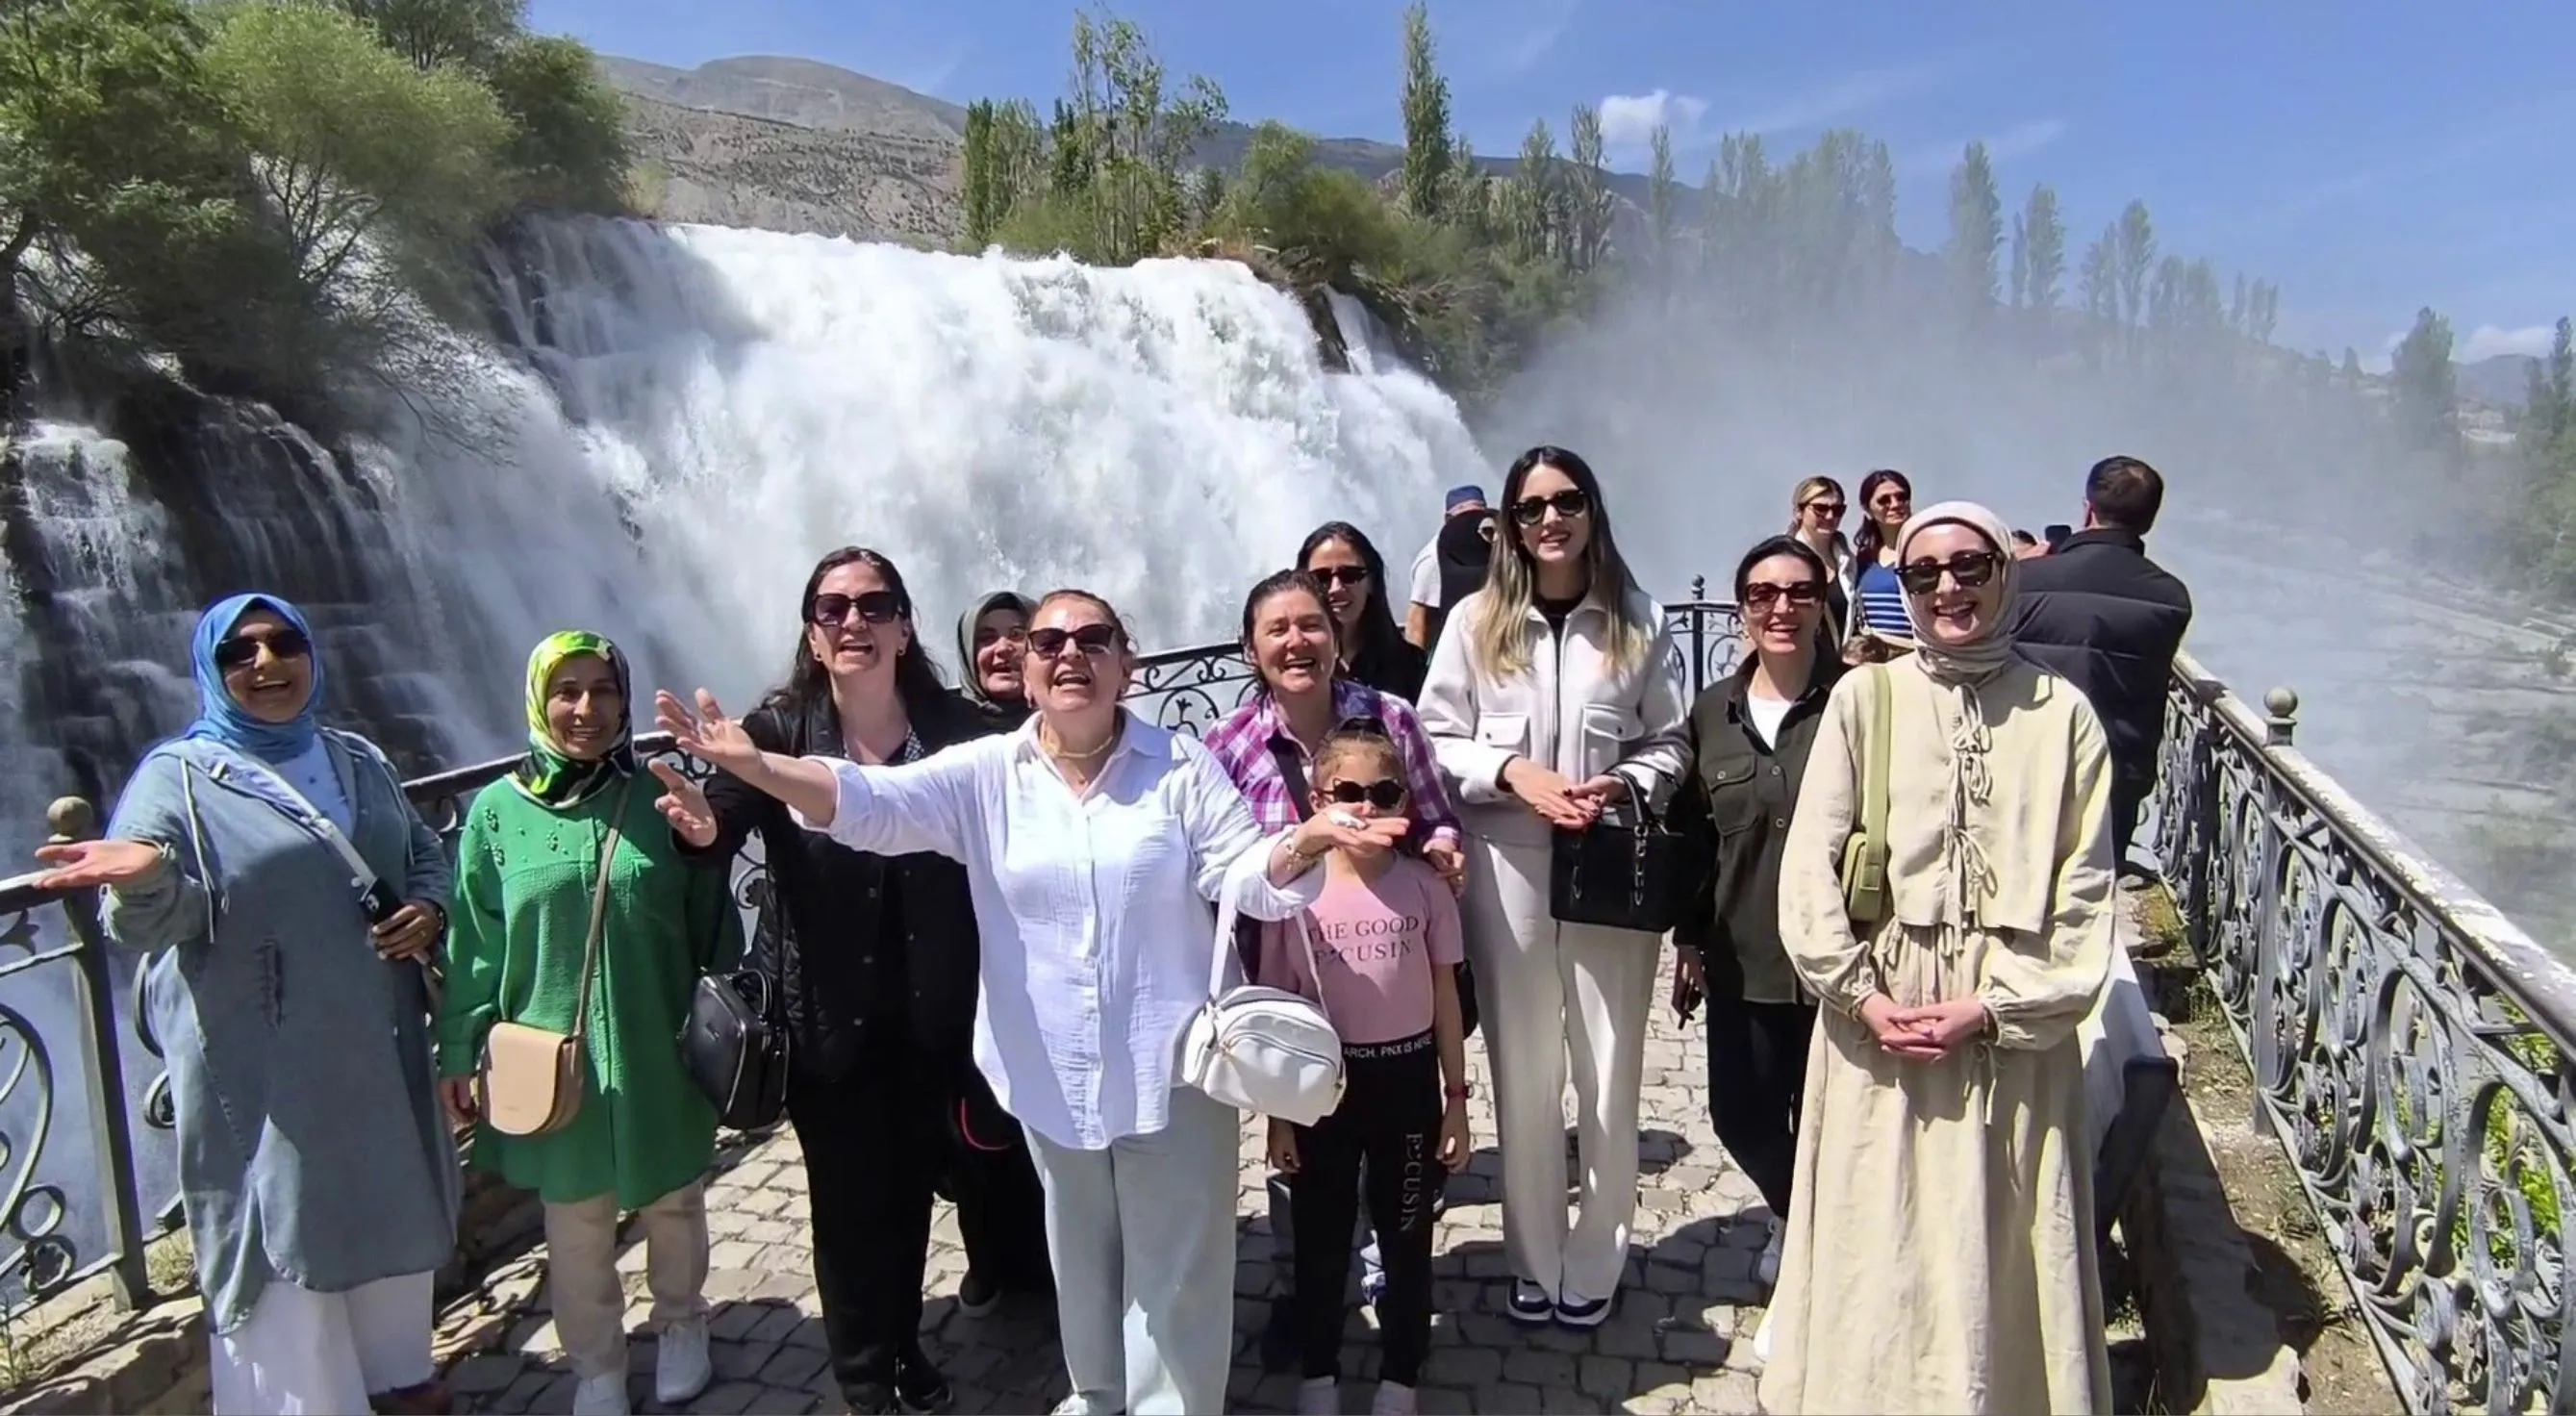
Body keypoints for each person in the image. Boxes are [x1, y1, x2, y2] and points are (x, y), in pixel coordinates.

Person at [652, 590, 1402, 1416]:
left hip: (1170, 1069)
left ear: (1127, 663)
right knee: (1078, 1256)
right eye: (1048, 641)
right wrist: (757, 767)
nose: (1068, 653)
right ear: (1031, 669)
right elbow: (867, 801)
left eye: (1092, 639)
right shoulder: (986, 773)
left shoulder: (1181, 766)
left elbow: (1239, 876)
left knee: (1179, 1274)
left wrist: (1304, 840)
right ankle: (1099, 1394)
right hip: (1049, 1073)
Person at [34, 594, 460, 1416]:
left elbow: (420, 853)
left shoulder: (357, 758)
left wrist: (429, 911)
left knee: (385, 1241)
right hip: (267, 1073)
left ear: (310, 654)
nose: (265, 664)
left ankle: (398, 1387)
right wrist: (145, 875)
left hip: (373, 1053)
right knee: (280, 1263)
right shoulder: (176, 779)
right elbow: (147, 925)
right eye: (240, 651)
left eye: (282, 643)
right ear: (213, 670)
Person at [664, 550, 1048, 1415]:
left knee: (910, 1193)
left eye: (875, 607)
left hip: (934, 1017)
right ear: (812, 631)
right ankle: (864, 1380)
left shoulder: (959, 730)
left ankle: (905, 1342)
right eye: (833, 608)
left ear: (906, 626)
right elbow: (722, 819)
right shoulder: (779, 730)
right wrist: (698, 829)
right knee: (846, 1210)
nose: (854, 622)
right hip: (825, 1020)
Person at [1762, 501, 2116, 1414]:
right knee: (1876, 1235)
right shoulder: (1864, 698)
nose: (1948, 588)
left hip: (2008, 1035)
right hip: (1879, 1023)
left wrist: (2001, 1007)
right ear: (1902, 589)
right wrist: (1860, 997)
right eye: (1925, 574)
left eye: (1970, 567)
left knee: (1999, 1238)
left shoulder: (2063, 717)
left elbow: (2085, 894)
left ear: (2007, 572)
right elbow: (1809, 869)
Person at [1416, 444, 1690, 1328]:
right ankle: (1533, 1258)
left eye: (1567, 502)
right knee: (1524, 1072)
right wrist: (1511, 774)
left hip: (1610, 864)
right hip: (1507, 870)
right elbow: (1433, 737)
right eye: (1531, 508)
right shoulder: (1475, 622)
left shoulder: (1637, 620)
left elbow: (1673, 742)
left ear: (1593, 510)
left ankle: (1598, 1257)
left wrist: (1623, 785)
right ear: (1510, 524)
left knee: (1609, 1069)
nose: (1550, 521)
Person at [437, 632, 740, 1416]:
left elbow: (712, 919)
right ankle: (597, 1364)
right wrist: (461, 1048)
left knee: (674, 1200)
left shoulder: (656, 797)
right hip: (554, 1059)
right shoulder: (497, 816)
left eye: (603, 690)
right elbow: (476, 945)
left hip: (655, 1040)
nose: (585, 709)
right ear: (540, 700)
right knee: (574, 1224)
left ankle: (681, 1322)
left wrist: (722, 1027)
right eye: (566, 690)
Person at [1201, 569, 1465, 1369]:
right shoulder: (1226, 746)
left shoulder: (1391, 717)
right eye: (1277, 628)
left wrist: (1442, 852)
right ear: (1251, 647)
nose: (1297, 642)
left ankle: (1392, 1293)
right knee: (1302, 1179)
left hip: (1393, 991)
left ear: (1337, 630)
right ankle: (1309, 1301)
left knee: (1397, 1174)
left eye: (1311, 624)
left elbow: (1435, 814)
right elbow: (1214, 870)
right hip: (1287, 995)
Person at [1261, 724, 1473, 1416]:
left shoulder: (1424, 889)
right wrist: (1279, 1119)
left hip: (1407, 1083)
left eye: (1384, 794)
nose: (1366, 808)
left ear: (1405, 798)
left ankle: (1401, 1374)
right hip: (1325, 1087)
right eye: (1348, 793)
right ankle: (1319, 1373)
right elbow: (1281, 1015)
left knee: (1406, 1235)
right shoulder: (1294, 897)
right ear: (1318, 800)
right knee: (1321, 1240)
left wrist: (1457, 1099)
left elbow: (1445, 995)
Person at [1669, 537, 1844, 1321]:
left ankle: (1810, 1246)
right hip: (1742, 952)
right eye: (1764, 594)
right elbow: (1694, 837)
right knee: (1739, 1112)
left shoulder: (1859, 702)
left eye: (1799, 592)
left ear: (1821, 602)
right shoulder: (1713, 712)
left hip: (1845, 960)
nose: (1782, 607)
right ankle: (1803, 1216)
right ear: (1742, 609)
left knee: (1829, 1116)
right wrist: (1686, 940)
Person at [2005, 455, 2193, 874]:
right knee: (2093, 892)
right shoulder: (2170, 597)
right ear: (2149, 521)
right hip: (2116, 768)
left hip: (2027, 761)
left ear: (2087, 508)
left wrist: (2024, 569)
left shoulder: (2026, 580)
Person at [1301, 521, 1427, 700]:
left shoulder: (1412, 667)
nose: (1336, 588)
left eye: (1350, 575)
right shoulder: (1292, 668)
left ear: (1372, 582)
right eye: (1321, 578)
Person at [1405, 484, 1494, 650]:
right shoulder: (1431, 560)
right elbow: (1416, 619)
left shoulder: (1494, 544)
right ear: (1447, 520)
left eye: (1477, 516)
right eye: (1463, 519)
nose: (1470, 526)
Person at [1847, 468, 1915, 653]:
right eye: (1884, 500)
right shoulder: (1863, 559)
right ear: (1868, 509)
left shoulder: (1921, 554)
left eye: (1901, 497)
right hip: (1871, 655)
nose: (1895, 504)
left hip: (1912, 655)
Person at [958, 590, 1038, 728]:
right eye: (987, 638)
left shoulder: (1073, 722)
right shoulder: (936, 728)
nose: (1003, 648)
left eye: (1017, 634)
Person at [1786, 475, 1855, 635]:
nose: (1830, 516)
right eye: (1820, 509)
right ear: (1799, 512)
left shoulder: (1849, 562)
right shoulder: (1781, 559)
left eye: (1838, 510)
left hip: (1838, 658)